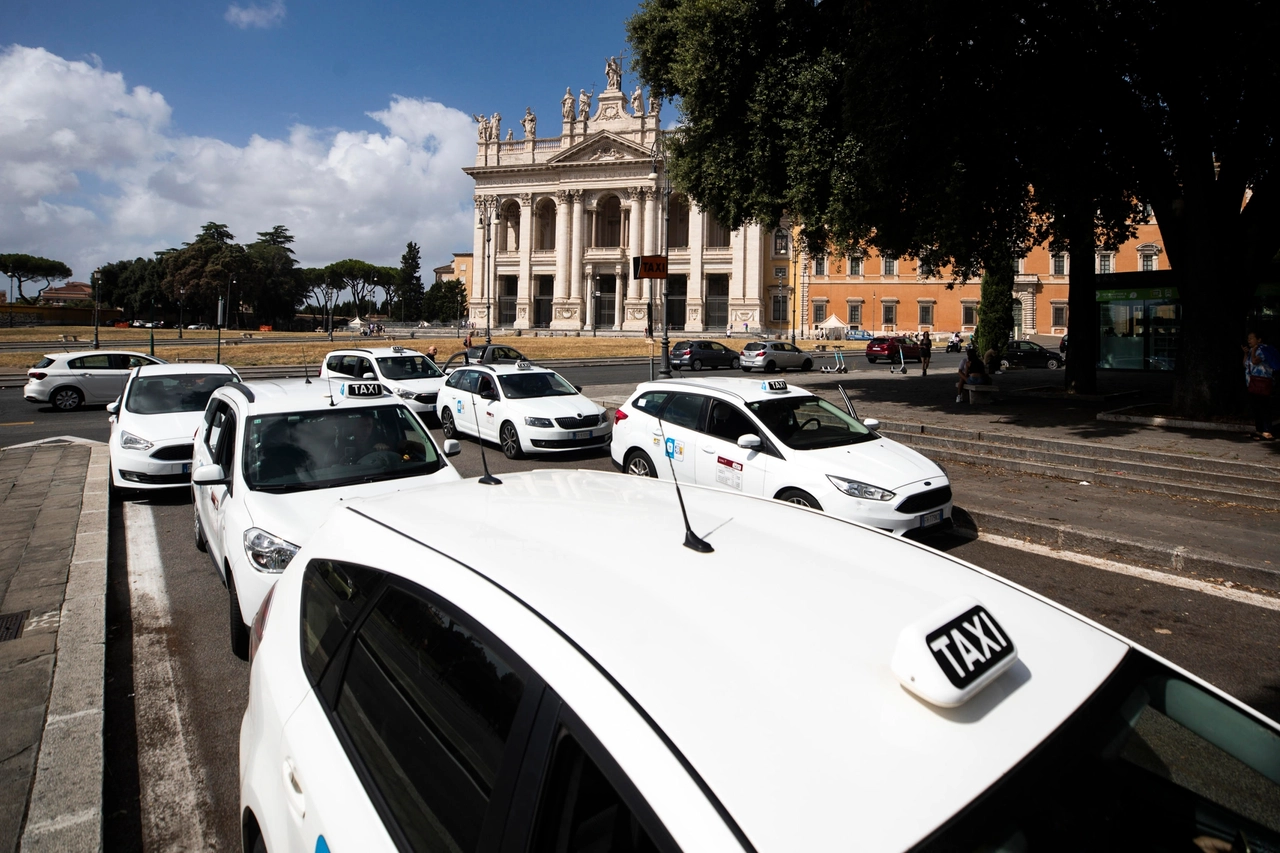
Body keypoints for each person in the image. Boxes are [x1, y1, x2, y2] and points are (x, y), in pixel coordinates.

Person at [1243, 330, 1279, 440]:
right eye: (1248, 338)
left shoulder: (1263, 350)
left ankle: (1267, 430)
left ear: (1259, 340)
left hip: (1262, 382)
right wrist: (1246, 353)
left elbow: (1255, 361)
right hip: (1252, 382)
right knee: (1256, 407)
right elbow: (1245, 364)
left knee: (1264, 406)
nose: (1249, 340)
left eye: (1252, 338)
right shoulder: (1251, 351)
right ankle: (1259, 430)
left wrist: (1253, 351)